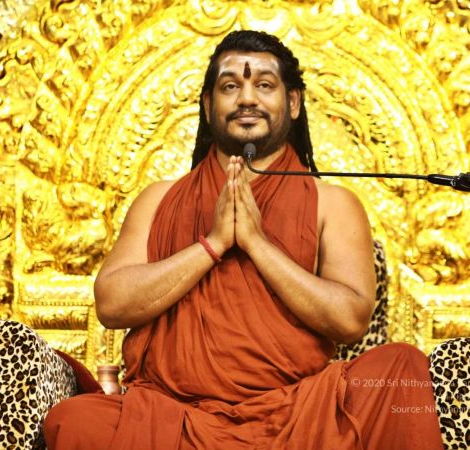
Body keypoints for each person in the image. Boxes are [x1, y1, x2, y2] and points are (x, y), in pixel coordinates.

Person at [44, 30, 444, 450]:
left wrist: (256, 243)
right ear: (207, 105)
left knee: (400, 368)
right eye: (230, 86)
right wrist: (213, 244)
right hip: (174, 418)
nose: (247, 98)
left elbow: (350, 320)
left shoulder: (332, 203)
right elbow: (111, 304)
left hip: (301, 416)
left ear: (293, 102)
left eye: (265, 85)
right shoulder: (159, 199)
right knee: (75, 421)